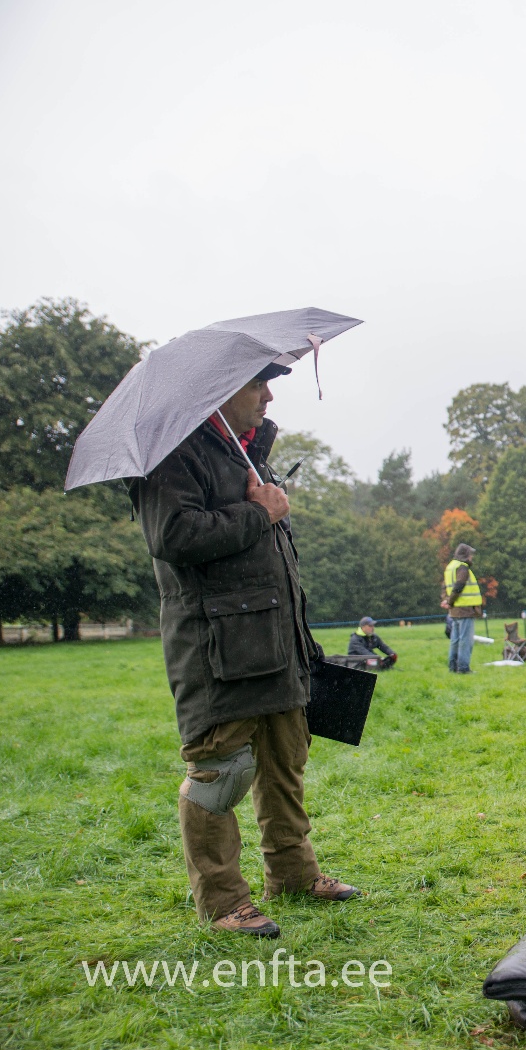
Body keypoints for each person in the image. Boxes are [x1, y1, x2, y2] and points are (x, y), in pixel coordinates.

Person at [127, 365, 360, 939]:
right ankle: (223, 901)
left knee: (285, 760)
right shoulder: (172, 455)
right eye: (258, 384)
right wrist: (261, 512)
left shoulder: (246, 451)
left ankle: (294, 874)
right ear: (220, 390)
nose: (270, 394)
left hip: (276, 645)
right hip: (216, 649)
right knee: (220, 772)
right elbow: (174, 537)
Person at [442, 544, 483, 674]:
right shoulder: (462, 567)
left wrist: (447, 601)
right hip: (464, 610)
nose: (472, 557)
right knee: (466, 640)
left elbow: (445, 587)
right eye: (470, 554)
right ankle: (463, 668)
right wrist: (450, 601)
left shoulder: (450, 567)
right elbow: (459, 586)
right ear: (465, 555)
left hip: (454, 611)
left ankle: (453, 667)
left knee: (455, 640)